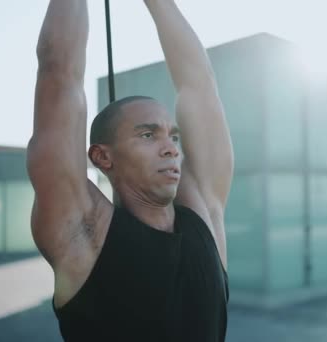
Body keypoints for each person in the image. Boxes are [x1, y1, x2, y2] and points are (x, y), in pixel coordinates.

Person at [27, 1, 233, 341]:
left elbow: (200, 84)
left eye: (173, 135)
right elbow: (57, 70)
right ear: (103, 157)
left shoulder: (204, 219)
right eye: (148, 135)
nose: (170, 148)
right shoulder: (83, 234)